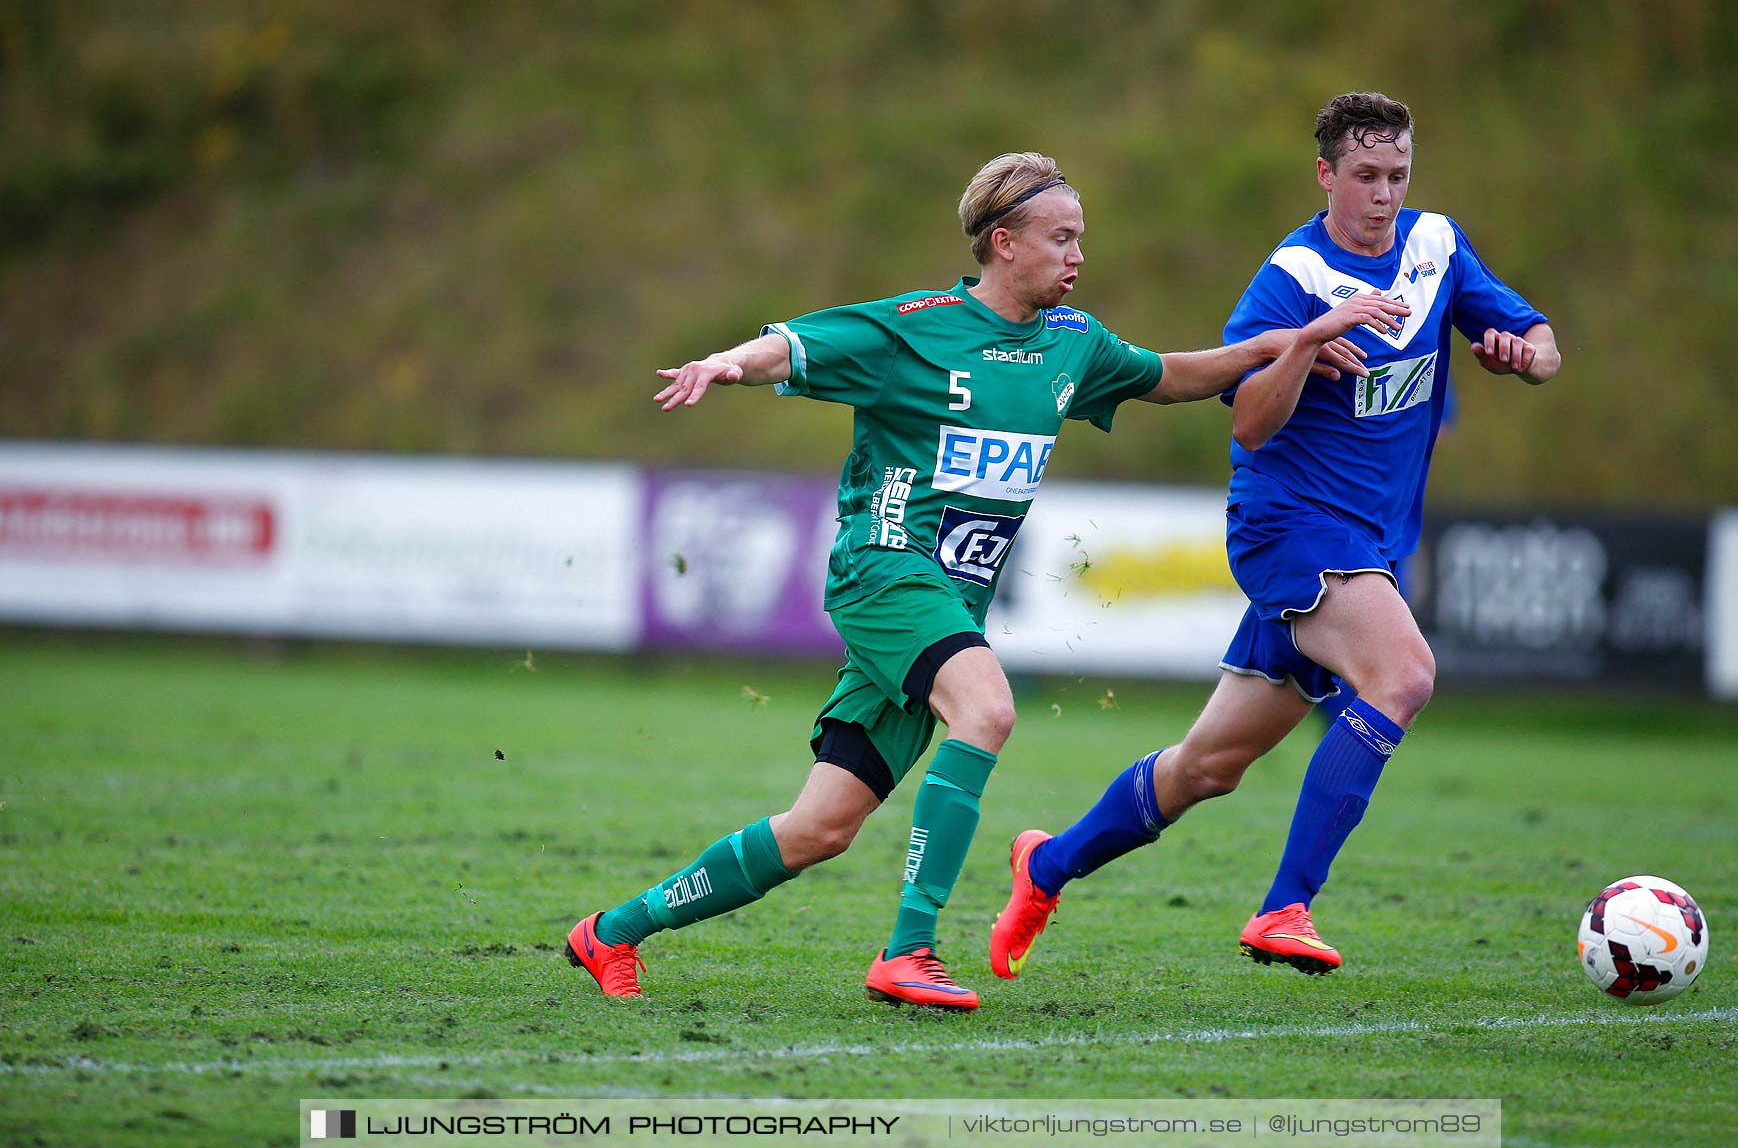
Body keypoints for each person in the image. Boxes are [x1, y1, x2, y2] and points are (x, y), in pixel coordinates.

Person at [565, 151, 1401, 1009]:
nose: (1078, 256)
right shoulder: (919, 326)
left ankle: (611, 933)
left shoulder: (1074, 346)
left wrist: (1293, 341)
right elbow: (795, 346)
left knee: (819, 829)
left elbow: (1179, 375)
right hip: (884, 570)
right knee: (988, 708)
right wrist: (727, 364)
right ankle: (909, 950)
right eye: (1061, 238)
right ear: (1003, 243)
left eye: (1083, 239)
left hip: (945, 604)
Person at [991, 93, 1560, 983]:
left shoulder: (1436, 247)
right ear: (1326, 175)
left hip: (1366, 545)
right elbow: (1251, 425)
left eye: (1397, 176)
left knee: (1205, 768)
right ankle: (1286, 906)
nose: (1383, 194)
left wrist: (1521, 352)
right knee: (1403, 675)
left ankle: (1047, 865)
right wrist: (1304, 343)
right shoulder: (1290, 279)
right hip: (1286, 527)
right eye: (1365, 176)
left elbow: (1543, 340)